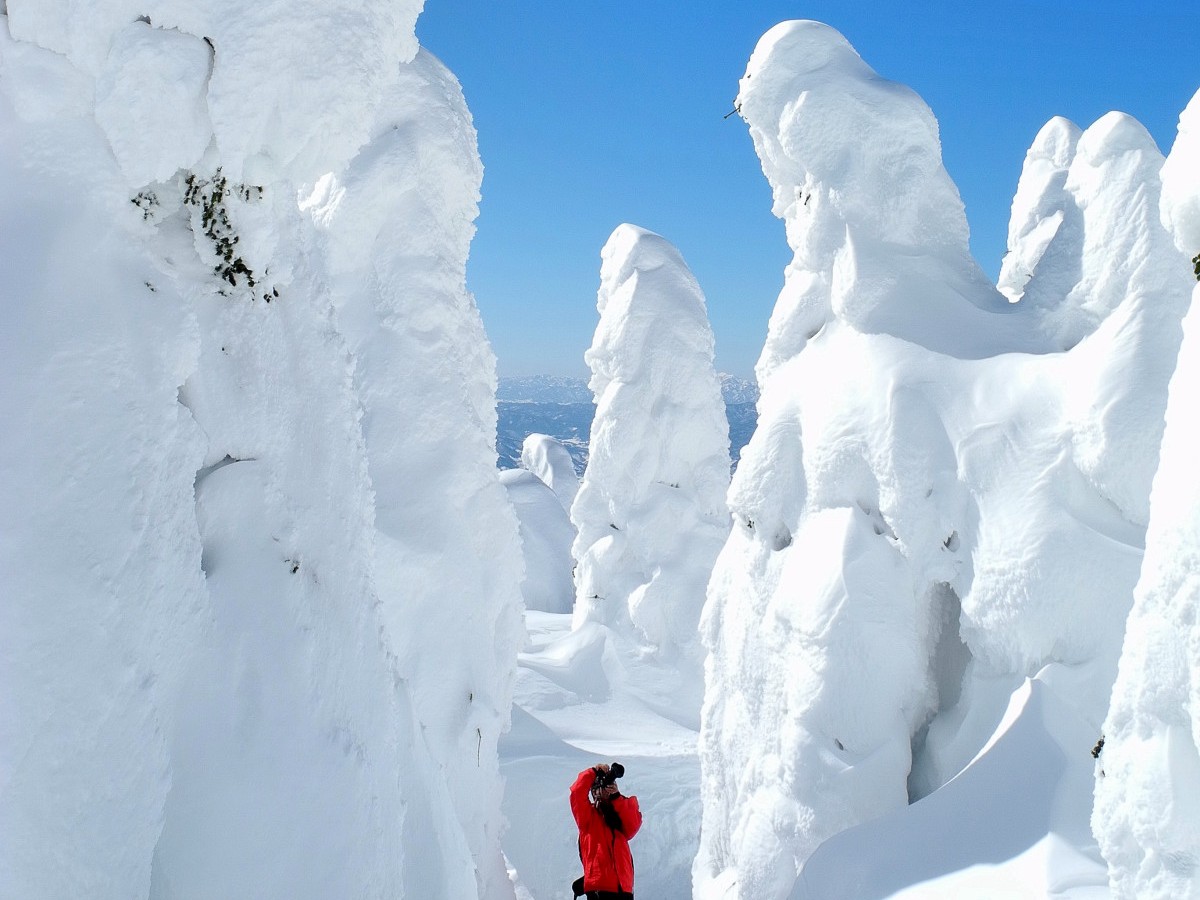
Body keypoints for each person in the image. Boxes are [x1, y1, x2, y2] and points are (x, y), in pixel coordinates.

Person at [570, 762, 642, 899]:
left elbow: (633, 824)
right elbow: (576, 793)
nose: (603, 792)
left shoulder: (618, 813)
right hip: (600, 888)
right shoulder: (588, 817)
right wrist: (593, 772)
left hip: (624, 890)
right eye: (597, 789)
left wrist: (616, 797)